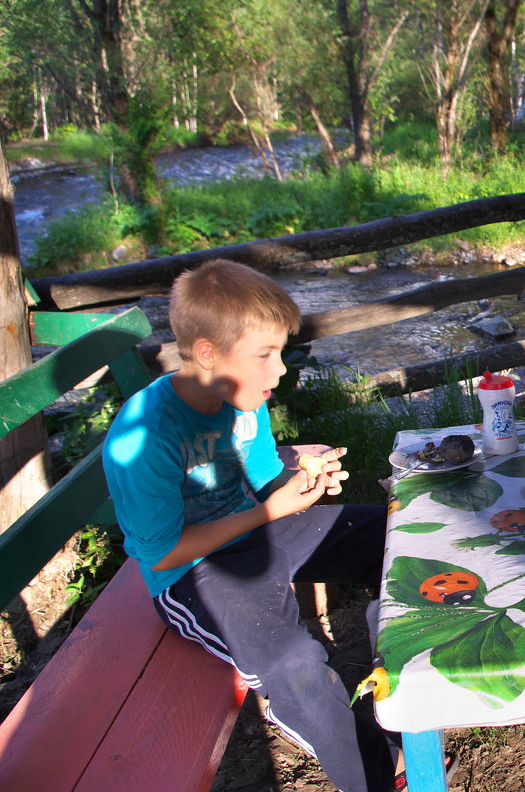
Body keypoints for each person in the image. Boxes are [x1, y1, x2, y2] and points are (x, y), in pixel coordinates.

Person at [102, 260, 396, 792]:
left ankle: (396, 668)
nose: (279, 371)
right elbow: (163, 552)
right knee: (296, 666)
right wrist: (270, 511)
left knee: (392, 537)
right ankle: (378, 775)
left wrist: (300, 481)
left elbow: (262, 480)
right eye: (265, 355)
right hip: (194, 573)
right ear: (209, 354)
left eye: (279, 352)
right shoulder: (142, 436)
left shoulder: (243, 399)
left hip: (259, 531)